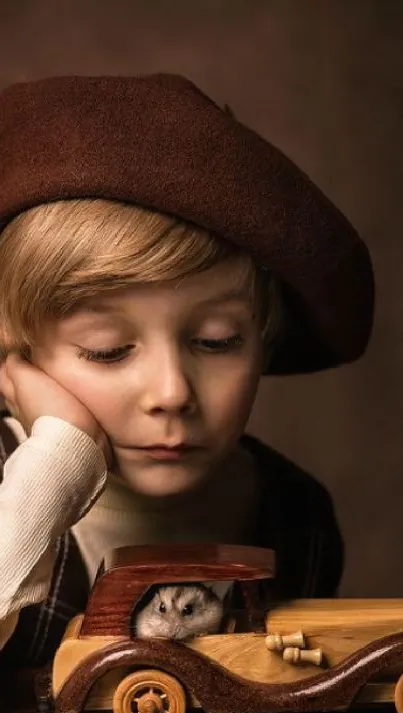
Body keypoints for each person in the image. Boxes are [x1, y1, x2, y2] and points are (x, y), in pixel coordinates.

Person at [0, 73, 374, 668]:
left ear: (266, 340)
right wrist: (52, 470)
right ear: (15, 353)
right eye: (106, 348)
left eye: (216, 341)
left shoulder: (292, 511)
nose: (171, 393)